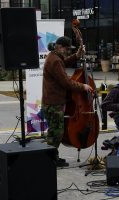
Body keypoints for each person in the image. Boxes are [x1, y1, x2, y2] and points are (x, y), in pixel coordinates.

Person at [42, 36, 93, 167]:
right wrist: (83, 86)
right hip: (54, 103)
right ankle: (50, 159)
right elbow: (66, 82)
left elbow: (65, 62)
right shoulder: (55, 61)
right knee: (56, 132)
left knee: (54, 131)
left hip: (53, 101)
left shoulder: (55, 57)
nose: (68, 51)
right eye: (67, 49)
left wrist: (77, 55)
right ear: (59, 47)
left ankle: (53, 157)